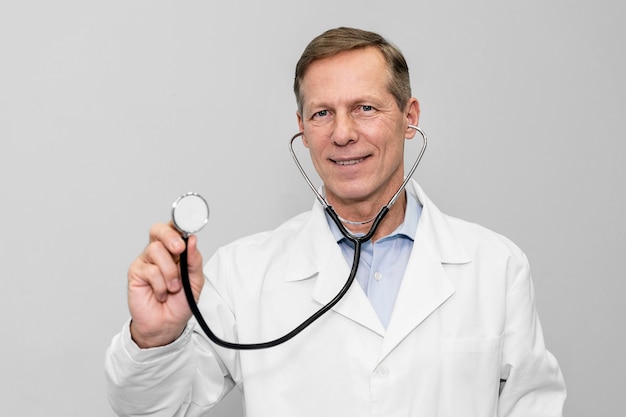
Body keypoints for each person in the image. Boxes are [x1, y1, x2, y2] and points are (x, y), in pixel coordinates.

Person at [105, 27, 566, 416]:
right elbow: (154, 406)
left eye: (365, 108)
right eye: (322, 113)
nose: (343, 133)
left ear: (409, 117)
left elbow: (534, 406)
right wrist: (154, 337)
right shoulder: (242, 274)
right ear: (303, 129)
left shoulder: (496, 266)